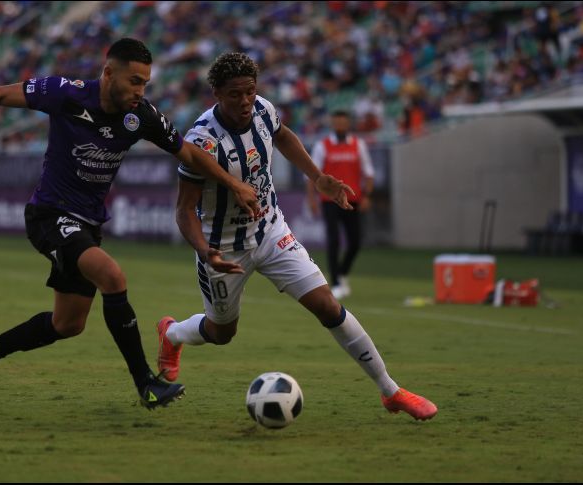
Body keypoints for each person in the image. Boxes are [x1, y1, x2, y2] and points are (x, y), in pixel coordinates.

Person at [0, 38, 260, 409]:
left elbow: (188, 152)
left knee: (68, 324)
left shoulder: (141, 116)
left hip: (88, 224)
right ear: (108, 73)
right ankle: (146, 384)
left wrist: (233, 183)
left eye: (145, 83)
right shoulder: (66, 94)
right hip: (50, 214)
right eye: (134, 81)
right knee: (113, 277)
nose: (140, 91)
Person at [157, 52, 437, 421]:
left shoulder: (263, 110)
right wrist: (206, 252)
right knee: (222, 332)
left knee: (327, 306)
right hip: (223, 248)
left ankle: (391, 391)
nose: (245, 101)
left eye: (250, 91)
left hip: (271, 231)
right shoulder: (202, 141)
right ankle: (173, 334)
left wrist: (317, 177)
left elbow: (284, 136)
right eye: (235, 94)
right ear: (217, 94)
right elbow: (183, 211)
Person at [306, 110, 375, 298]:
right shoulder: (322, 146)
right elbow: (312, 175)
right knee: (334, 240)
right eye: (336, 122)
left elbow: (368, 173)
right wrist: (311, 199)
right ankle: (336, 282)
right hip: (330, 201)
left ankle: (343, 272)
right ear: (332, 124)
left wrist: (367, 196)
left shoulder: (358, 145)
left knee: (355, 241)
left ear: (348, 124)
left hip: (353, 200)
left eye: (343, 122)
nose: (340, 126)